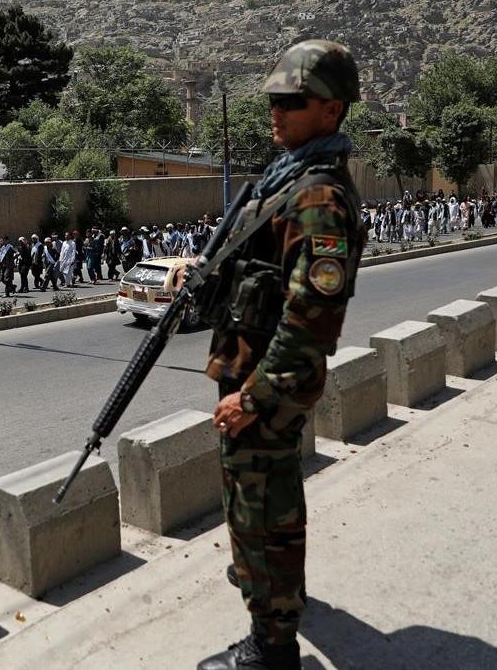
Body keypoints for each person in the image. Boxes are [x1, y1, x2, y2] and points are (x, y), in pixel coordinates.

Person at [198, 40, 365, 670]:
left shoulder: (318, 197)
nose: (277, 111)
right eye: (274, 98)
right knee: (253, 495)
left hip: (268, 381)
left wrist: (255, 397)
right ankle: (263, 583)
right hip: (251, 368)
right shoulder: (289, 178)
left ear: (331, 111)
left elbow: (311, 323)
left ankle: (272, 645)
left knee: (265, 506)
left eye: (292, 101)